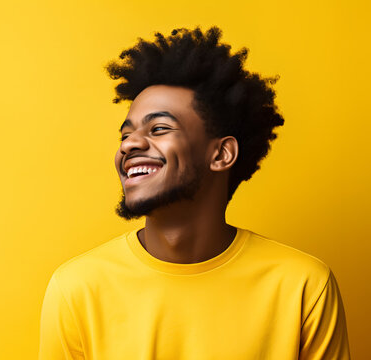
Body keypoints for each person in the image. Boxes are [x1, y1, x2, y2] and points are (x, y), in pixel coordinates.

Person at [38, 26, 350, 359]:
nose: (129, 144)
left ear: (220, 155)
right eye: (125, 135)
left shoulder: (303, 286)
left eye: (159, 128)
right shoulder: (77, 289)